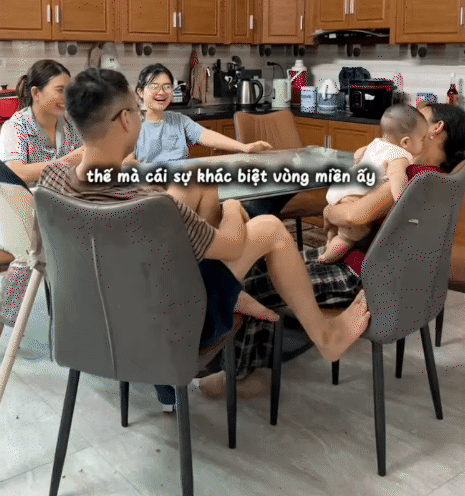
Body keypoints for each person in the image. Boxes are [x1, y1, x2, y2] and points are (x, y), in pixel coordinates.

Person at [32, 68, 370, 371]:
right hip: (165, 331)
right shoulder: (152, 205)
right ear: (124, 120)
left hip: (92, 324)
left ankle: (235, 294)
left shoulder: (52, 181)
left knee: (196, 184)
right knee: (267, 227)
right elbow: (231, 245)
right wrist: (234, 206)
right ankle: (326, 337)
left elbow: (41, 256)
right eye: (135, 110)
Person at [199, 101, 465, 397]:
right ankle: (260, 356)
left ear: (436, 129)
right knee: (263, 263)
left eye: (420, 118)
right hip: (377, 270)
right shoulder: (439, 179)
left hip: (360, 274)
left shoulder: (412, 175)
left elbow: (353, 216)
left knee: (252, 286)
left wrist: (329, 211)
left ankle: (240, 375)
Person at [319, 105, 428, 263]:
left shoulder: (376, 143)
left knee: (338, 226)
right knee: (347, 237)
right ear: (405, 142)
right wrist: (402, 201)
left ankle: (328, 241)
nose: (424, 143)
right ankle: (326, 258)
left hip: (341, 189)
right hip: (354, 197)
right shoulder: (400, 156)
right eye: (422, 139)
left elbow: (357, 155)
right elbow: (397, 178)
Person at [128, 63, 273, 167]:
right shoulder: (131, 124)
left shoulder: (179, 120)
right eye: (154, 86)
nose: (162, 92)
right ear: (140, 92)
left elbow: (206, 135)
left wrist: (244, 147)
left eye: (167, 86)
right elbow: (126, 163)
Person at [0, 59, 83, 184]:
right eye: (60, 90)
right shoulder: (16, 127)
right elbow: (16, 172)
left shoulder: (71, 124)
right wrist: (67, 161)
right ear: (36, 93)